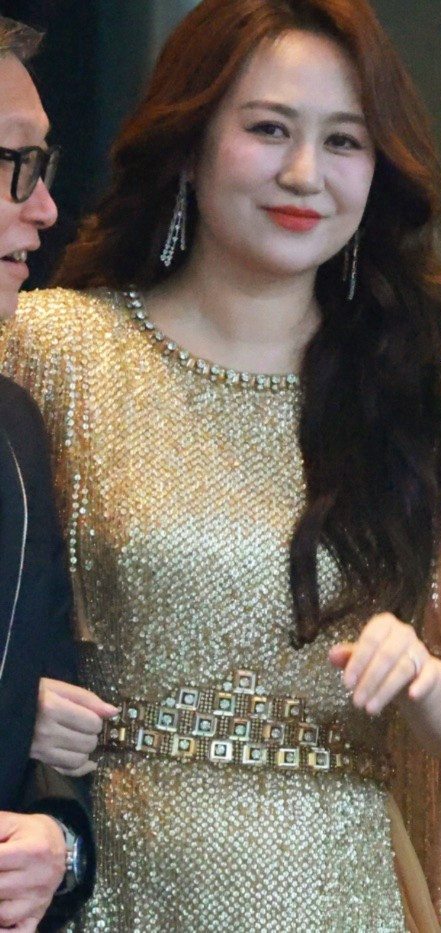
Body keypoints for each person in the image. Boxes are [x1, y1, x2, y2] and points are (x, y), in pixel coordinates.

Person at [0, 1, 441, 930]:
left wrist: (422, 677)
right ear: (189, 143)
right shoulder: (55, 348)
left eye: (345, 141)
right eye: (268, 129)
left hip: (343, 891)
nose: (305, 174)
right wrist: (21, 707)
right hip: (112, 879)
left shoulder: (432, 380)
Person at [0, 16, 98, 932]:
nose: (45, 209)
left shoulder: (17, 429)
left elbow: (55, 771)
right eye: (16, 165)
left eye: (45, 168)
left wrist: (59, 851)